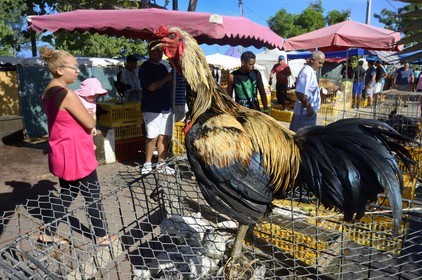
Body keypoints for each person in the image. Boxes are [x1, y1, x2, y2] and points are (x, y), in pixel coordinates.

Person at [39, 46, 116, 246]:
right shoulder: (66, 94)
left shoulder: (48, 91)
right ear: (60, 70)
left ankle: (48, 232)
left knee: (68, 193)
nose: (77, 71)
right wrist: (92, 116)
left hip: (62, 149)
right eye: (74, 67)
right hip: (76, 152)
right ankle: (102, 236)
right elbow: (90, 123)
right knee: (92, 194)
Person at [139, 42, 174, 175]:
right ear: (150, 51)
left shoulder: (163, 67)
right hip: (152, 107)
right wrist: (166, 78)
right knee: (152, 137)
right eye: (157, 51)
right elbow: (151, 87)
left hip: (165, 106)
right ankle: (147, 163)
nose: (160, 53)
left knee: (164, 136)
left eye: (161, 51)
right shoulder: (145, 68)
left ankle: (161, 163)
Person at [289, 51, 325, 132]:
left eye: (322, 63)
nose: (321, 66)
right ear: (312, 60)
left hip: (308, 113)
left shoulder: (311, 72)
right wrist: (309, 107)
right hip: (304, 114)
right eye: (320, 63)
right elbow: (299, 93)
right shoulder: (306, 72)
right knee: (302, 139)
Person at [75, 77, 108, 142]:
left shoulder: (92, 104)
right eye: (92, 95)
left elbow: (94, 116)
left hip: (87, 128)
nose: (94, 97)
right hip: (77, 128)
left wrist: (93, 127)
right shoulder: (77, 99)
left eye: (96, 96)